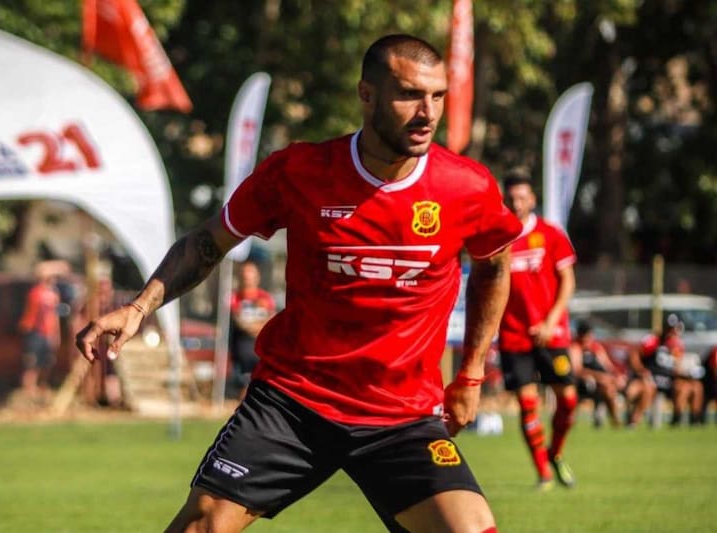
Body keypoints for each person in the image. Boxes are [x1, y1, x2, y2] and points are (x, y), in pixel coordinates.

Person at [77, 34, 522, 533]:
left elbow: (494, 265)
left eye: (438, 96)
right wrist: (139, 307)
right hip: (294, 403)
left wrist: (471, 375)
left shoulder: (466, 186)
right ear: (367, 94)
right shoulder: (300, 170)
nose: (428, 112)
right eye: (409, 95)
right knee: (203, 526)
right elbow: (209, 241)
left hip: (403, 416)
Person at [498, 168, 578, 490]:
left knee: (568, 400)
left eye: (522, 197)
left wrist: (550, 321)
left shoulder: (550, 234)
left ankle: (555, 452)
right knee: (527, 403)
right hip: (513, 335)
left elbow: (568, 282)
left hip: (552, 333)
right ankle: (543, 472)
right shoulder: (498, 237)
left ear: (532, 199)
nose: (516, 203)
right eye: (511, 198)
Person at [640, 314, 705, 426]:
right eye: (670, 329)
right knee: (682, 388)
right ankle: (676, 419)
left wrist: (688, 373)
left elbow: (677, 366)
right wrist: (641, 370)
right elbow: (637, 353)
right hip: (657, 379)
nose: (672, 332)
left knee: (696, 387)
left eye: (674, 328)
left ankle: (695, 419)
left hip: (671, 379)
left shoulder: (677, 344)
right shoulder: (654, 340)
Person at [228, 260, 277, 399]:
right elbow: (240, 322)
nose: (247, 280)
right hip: (243, 348)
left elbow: (271, 320)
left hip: (263, 347)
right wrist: (259, 326)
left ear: (257, 278)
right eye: (244, 277)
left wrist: (256, 326)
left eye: (250, 277)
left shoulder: (266, 298)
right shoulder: (234, 298)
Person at [18, 262, 62, 404]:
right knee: (32, 363)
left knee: (47, 362)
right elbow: (33, 316)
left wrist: (56, 334)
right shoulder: (35, 293)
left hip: (48, 333)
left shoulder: (54, 294)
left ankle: (42, 388)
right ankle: (29, 391)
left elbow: (54, 316)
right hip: (35, 332)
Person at [569, 321, 625, 428]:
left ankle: (615, 420)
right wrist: (599, 377)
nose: (589, 338)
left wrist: (617, 376)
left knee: (609, 387)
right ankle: (613, 419)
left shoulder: (596, 347)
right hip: (584, 382)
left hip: (603, 381)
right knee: (606, 386)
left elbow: (608, 366)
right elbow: (577, 370)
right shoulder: (575, 347)